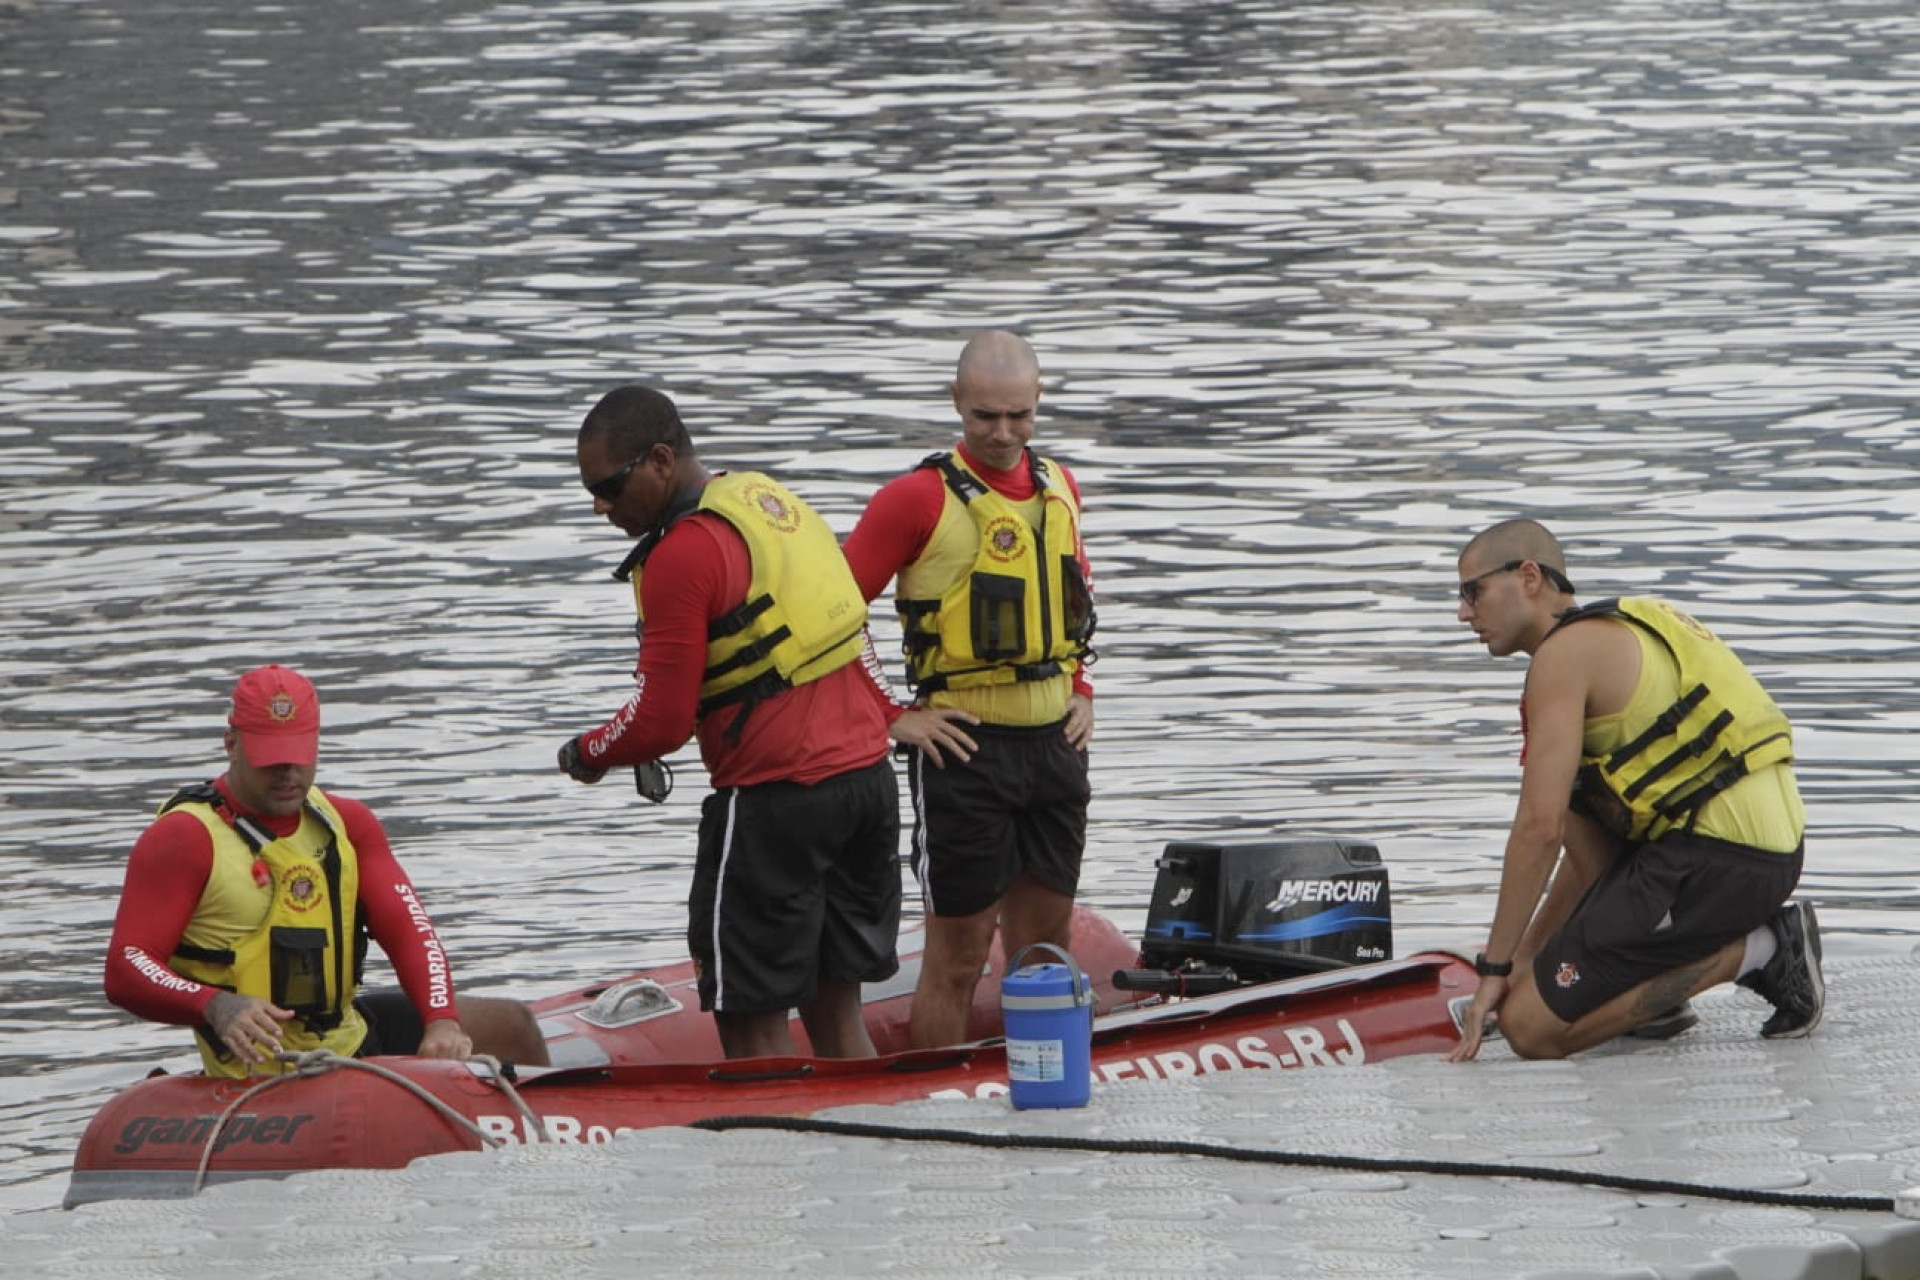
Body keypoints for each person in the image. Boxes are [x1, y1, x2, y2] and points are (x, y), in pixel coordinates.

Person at [556, 384, 902, 1061]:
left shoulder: (680, 556)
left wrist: (589, 751)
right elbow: (848, 629)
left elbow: (660, 722)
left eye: (609, 487)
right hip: (867, 786)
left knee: (750, 1022)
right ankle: (869, 1125)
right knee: (838, 1010)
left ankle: (768, 1132)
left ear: (660, 460)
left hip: (777, 804)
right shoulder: (766, 501)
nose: (600, 506)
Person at [1447, 519, 1822, 1063]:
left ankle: (1765, 949)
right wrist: (1520, 966)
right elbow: (1581, 849)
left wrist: (1493, 972)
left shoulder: (1562, 658)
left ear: (1528, 576)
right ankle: (1649, 997)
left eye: (1472, 591)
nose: (1463, 613)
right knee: (1581, 810)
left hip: (1722, 858)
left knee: (1530, 1029)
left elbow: (1537, 830)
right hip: (1756, 849)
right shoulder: (1618, 626)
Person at [841, 330, 1097, 1050]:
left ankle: (1046, 1088)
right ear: (956, 401)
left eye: (1019, 415)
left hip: (1055, 747)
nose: (1003, 433)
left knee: (1045, 952)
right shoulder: (914, 499)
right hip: (964, 754)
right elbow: (829, 614)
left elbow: (1075, 597)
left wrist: (1083, 687)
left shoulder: (1060, 486)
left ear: (1038, 400)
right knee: (957, 958)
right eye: (986, 415)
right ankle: (937, 1103)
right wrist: (891, 714)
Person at [105, 665, 551, 1076]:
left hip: (347, 1037)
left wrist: (441, 1021)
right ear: (231, 744)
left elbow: (410, 930)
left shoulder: (347, 822)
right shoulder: (184, 838)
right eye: (270, 757)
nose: (287, 773)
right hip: (265, 1067)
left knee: (514, 1024)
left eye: (298, 754)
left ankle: (544, 1131)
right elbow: (127, 967)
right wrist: (214, 1004)